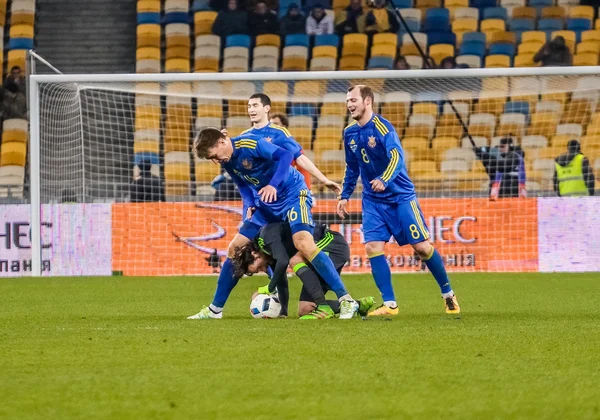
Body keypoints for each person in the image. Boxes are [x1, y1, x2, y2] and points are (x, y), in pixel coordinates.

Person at [188, 129, 360, 319]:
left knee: (302, 242)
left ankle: (346, 300)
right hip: (266, 203)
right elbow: (243, 186)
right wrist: (250, 206)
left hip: (293, 195)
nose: (216, 161)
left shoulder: (251, 144)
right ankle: (215, 310)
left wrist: (273, 184)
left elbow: (286, 155)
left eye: (214, 156)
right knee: (234, 248)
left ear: (222, 142)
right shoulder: (228, 161)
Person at [338, 85, 460, 316]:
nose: (350, 104)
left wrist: (384, 178)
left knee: (422, 248)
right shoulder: (349, 133)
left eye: (353, 100)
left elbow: (397, 157)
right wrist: (344, 195)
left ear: (367, 102)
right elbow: (352, 167)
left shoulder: (384, 127)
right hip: (373, 200)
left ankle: (448, 294)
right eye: (347, 101)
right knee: (373, 247)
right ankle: (390, 304)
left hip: (400, 197)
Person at [232, 222, 376, 319]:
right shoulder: (271, 254)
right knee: (305, 309)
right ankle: (358, 304)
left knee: (295, 260)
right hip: (322, 251)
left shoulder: (264, 238)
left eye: (259, 267)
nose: (264, 269)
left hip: (331, 243)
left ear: (254, 254)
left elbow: (283, 262)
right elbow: (282, 281)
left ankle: (325, 306)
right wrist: (283, 313)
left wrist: (269, 288)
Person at [269, 112, 313, 190]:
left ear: (284, 127)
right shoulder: (263, 144)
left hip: (285, 187)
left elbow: (303, 169)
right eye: (270, 124)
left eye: (275, 124)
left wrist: (308, 189)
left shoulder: (291, 146)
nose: (272, 127)